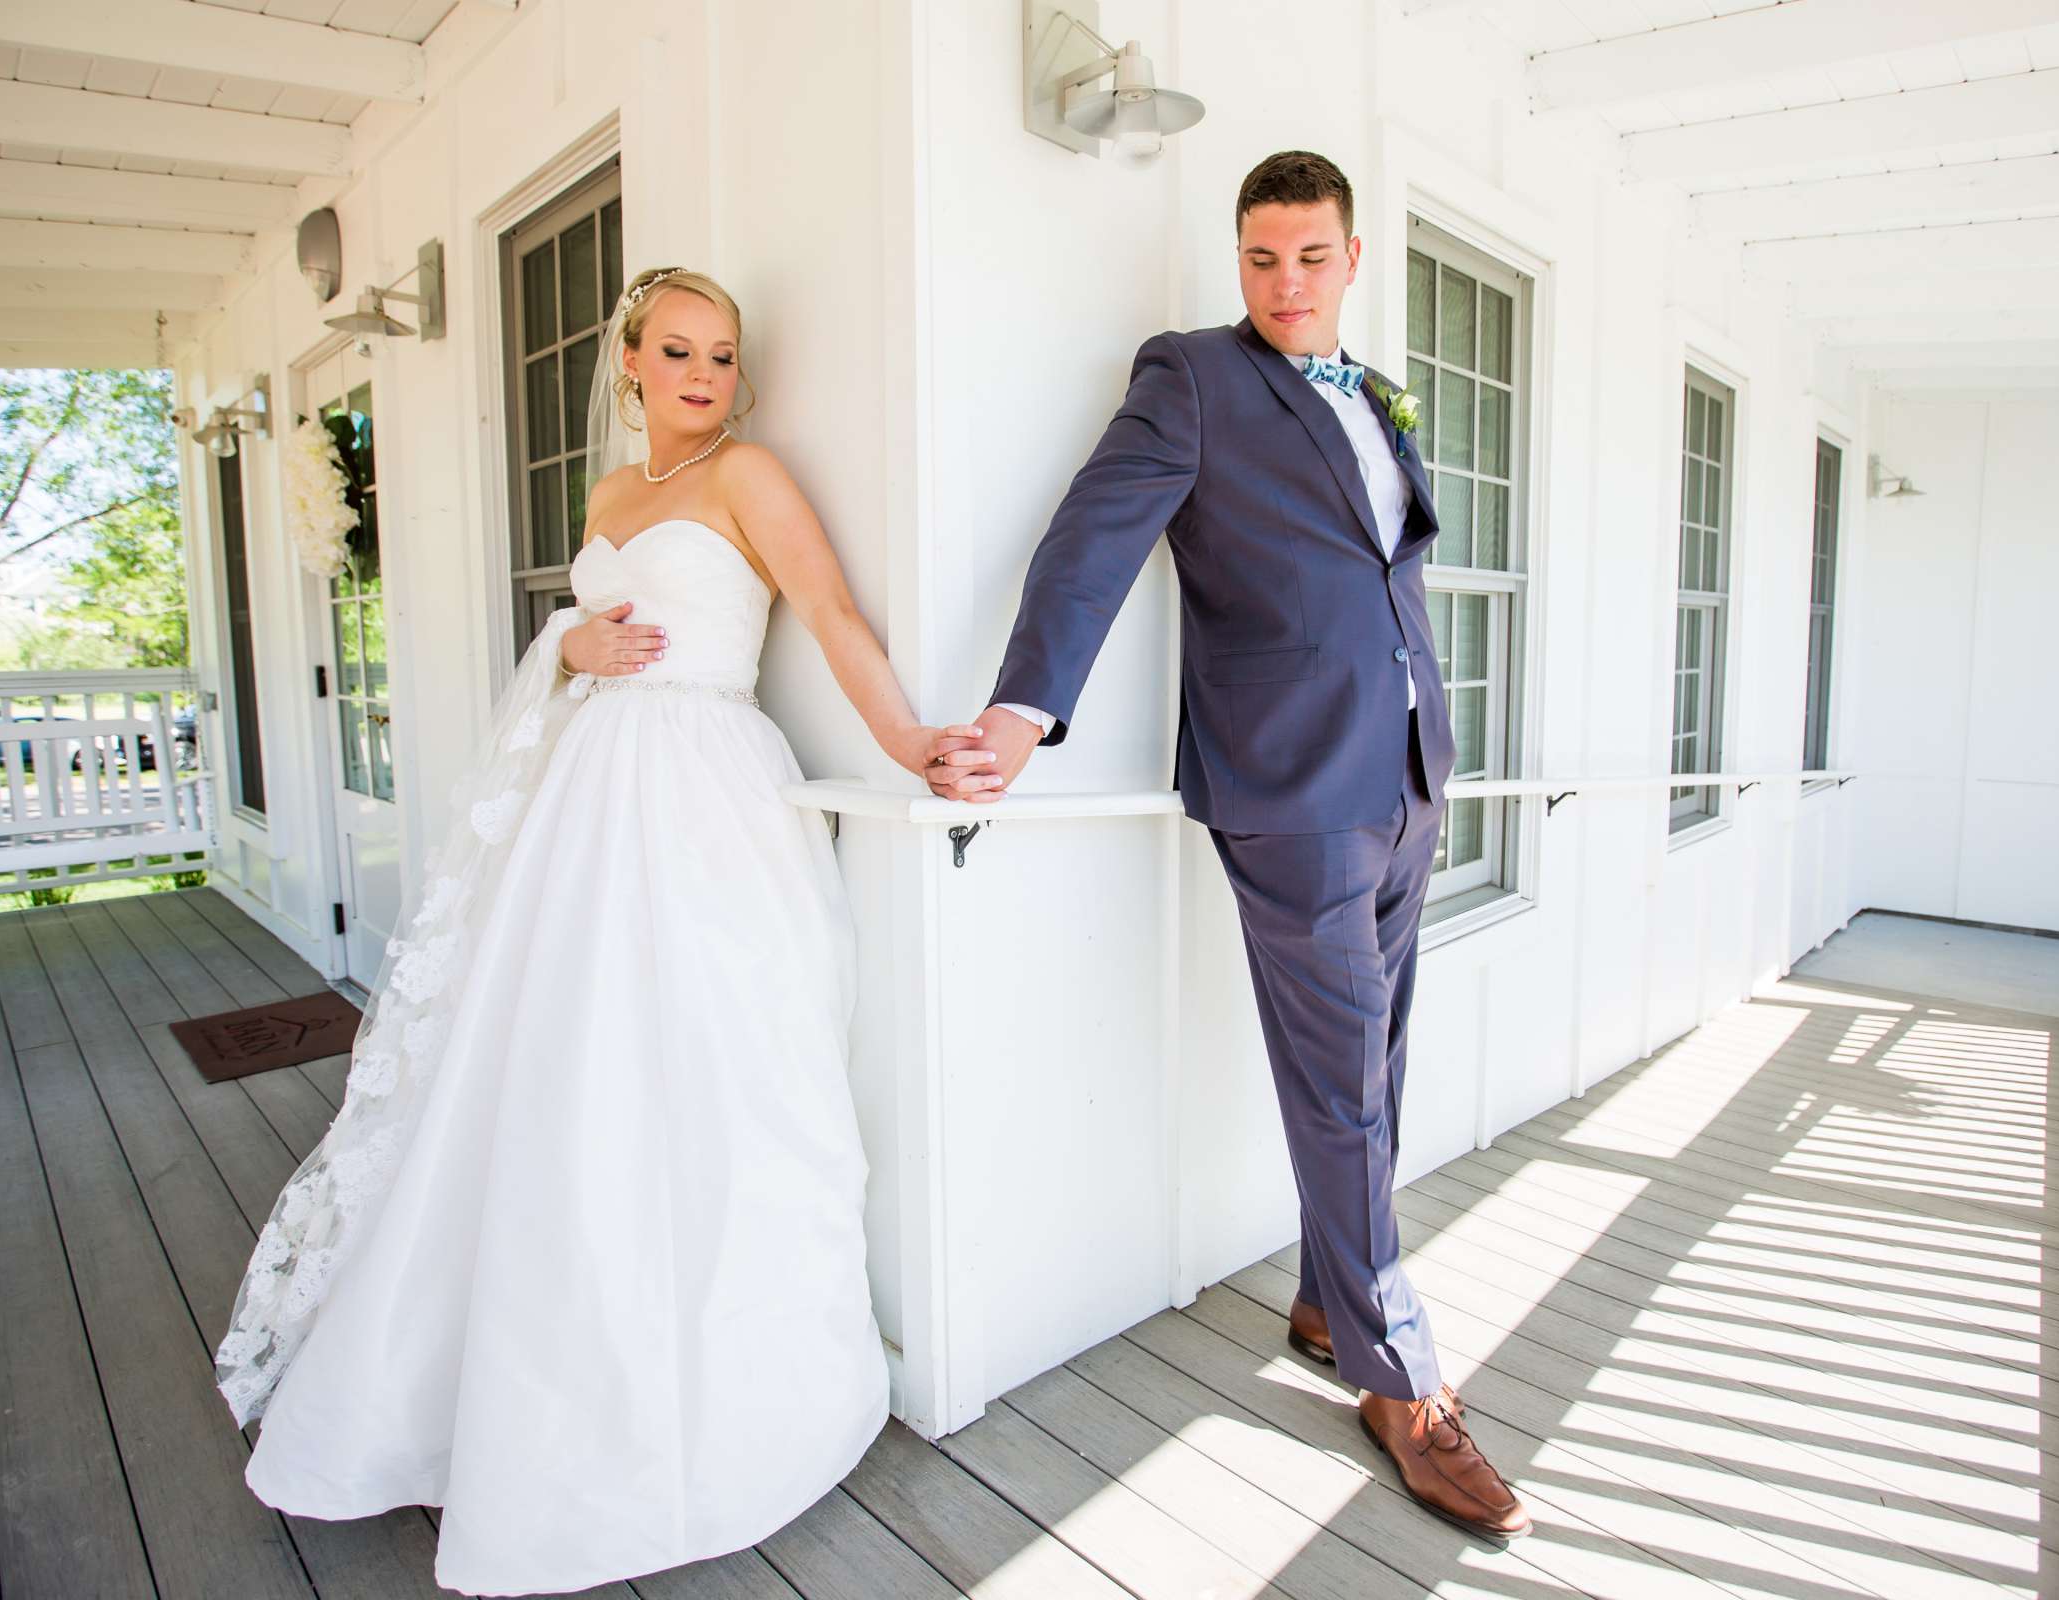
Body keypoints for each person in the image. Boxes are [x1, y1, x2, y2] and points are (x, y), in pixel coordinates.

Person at [211, 266, 991, 1596]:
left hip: (703, 799)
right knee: (554, 1071)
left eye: (723, 355)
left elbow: (834, 616)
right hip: (590, 803)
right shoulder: (611, 499)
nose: (702, 374)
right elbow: (585, 630)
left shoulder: (753, 480)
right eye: (677, 351)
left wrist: (916, 743)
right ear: (629, 363)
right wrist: (572, 650)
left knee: (714, 1074)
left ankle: (723, 1396)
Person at [931, 150, 1533, 1542]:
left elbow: (1386, 577)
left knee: (1376, 1061)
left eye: (1309, 258)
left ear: (1352, 257)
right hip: (1287, 789)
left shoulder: (1376, 395)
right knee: (1343, 1082)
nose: (1283, 285)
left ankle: (1331, 1297)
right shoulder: (1194, 378)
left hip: (1404, 772)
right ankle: (1403, 1381)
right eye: (1261, 259)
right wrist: (1025, 710)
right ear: (1240, 259)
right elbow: (1093, 538)